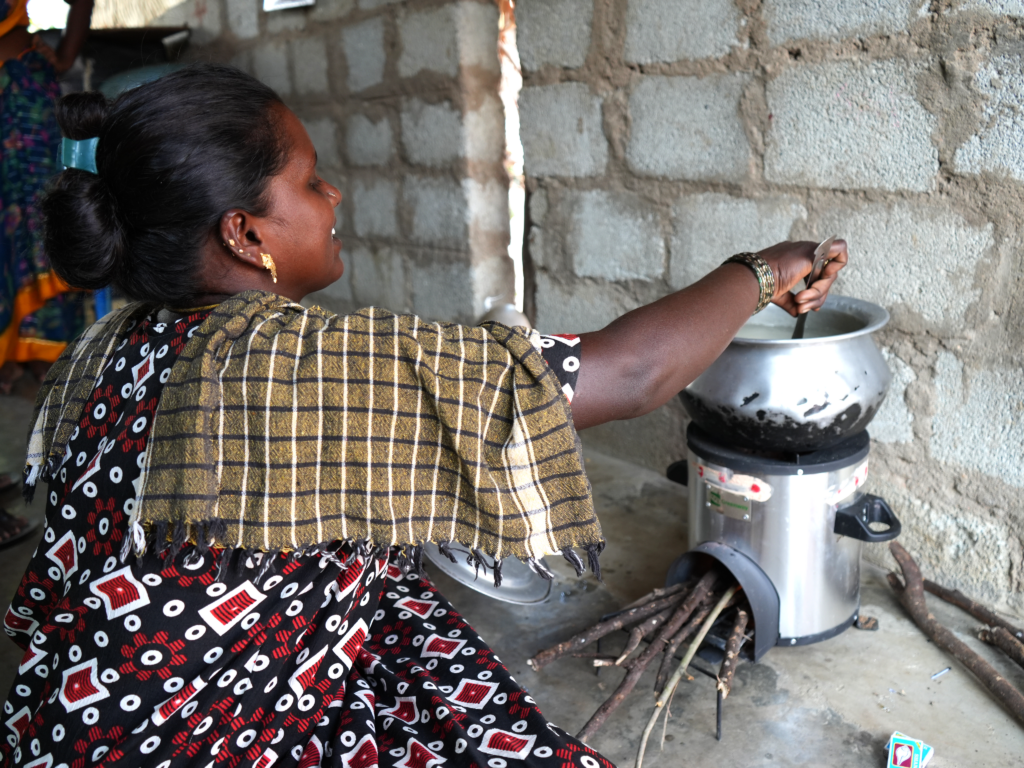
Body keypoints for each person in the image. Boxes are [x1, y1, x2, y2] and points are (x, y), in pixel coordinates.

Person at [2, 65, 846, 767]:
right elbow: (630, 373)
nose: (333, 193)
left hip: (84, 713)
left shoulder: (108, 343)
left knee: (401, 599)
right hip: (211, 734)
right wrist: (765, 271)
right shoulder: (292, 371)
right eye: (307, 180)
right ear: (244, 233)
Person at [0, 0, 93, 543]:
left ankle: (67, 453)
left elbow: (65, 55)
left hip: (44, 188)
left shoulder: (35, 54)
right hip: (17, 192)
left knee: (58, 292)